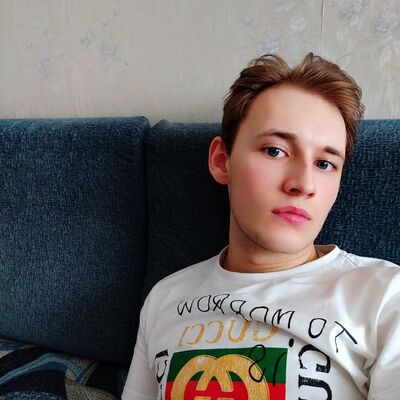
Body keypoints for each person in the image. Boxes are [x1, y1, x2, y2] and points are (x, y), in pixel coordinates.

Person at [122, 53, 400, 399]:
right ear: (222, 161)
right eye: (275, 151)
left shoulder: (385, 296)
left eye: (325, 163)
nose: (303, 184)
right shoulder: (165, 298)